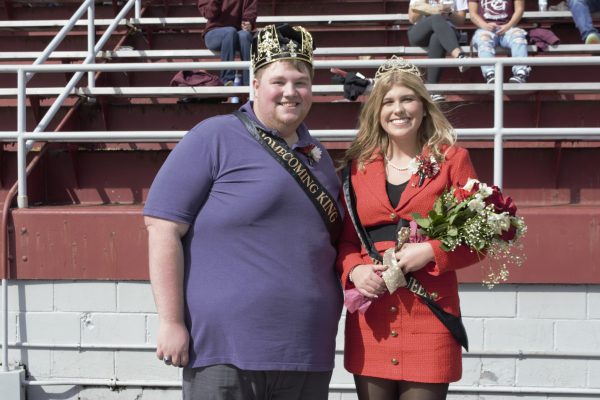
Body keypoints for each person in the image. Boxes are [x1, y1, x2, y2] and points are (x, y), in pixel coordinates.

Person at [144, 24, 344, 400]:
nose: (290, 92)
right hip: (223, 351)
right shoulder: (213, 137)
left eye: (300, 81)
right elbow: (162, 227)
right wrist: (170, 322)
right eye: (278, 81)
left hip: (306, 350)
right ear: (255, 85)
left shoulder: (319, 157)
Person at [336, 56, 481, 400]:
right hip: (372, 321)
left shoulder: (452, 160)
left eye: (407, 99)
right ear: (376, 111)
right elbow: (344, 241)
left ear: (423, 106)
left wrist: (430, 250)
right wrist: (354, 271)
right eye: (387, 102)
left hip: (429, 314)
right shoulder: (357, 167)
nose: (398, 110)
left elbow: (479, 237)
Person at [407, 0, 470, 102]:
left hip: (446, 31)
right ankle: (459, 56)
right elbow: (412, 18)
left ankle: (432, 90)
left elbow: (461, 20)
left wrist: (448, 12)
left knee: (437, 37)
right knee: (436, 17)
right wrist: (425, 5)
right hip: (420, 32)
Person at [469, 0, 531, 83]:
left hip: (508, 28)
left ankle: (521, 73)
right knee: (484, 40)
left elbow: (519, 9)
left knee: (518, 37)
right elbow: (473, 14)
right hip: (485, 28)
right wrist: (485, 25)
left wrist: (508, 26)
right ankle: (490, 74)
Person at [198, 0, 257, 86]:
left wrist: (249, 23)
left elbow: (250, 11)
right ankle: (227, 79)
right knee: (230, 31)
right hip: (213, 34)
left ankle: (249, 81)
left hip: (237, 34)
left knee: (245, 36)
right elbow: (208, 14)